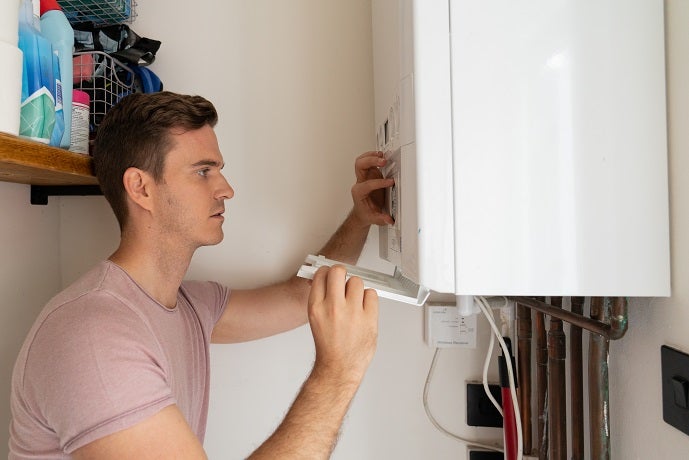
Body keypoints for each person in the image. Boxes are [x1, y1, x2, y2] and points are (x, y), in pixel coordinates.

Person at [9, 91, 395, 459]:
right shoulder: (94, 336)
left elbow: (299, 298)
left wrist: (359, 219)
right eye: (203, 172)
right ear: (141, 188)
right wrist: (338, 372)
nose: (226, 189)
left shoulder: (188, 304)